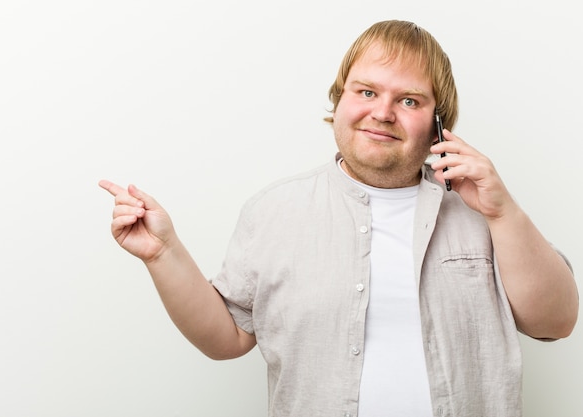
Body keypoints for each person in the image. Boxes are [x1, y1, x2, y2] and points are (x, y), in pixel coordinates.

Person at [99, 19, 578, 417]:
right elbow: (227, 337)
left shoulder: (485, 212)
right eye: (366, 91)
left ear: (438, 121)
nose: (382, 113)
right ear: (340, 100)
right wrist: (163, 254)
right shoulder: (274, 212)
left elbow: (556, 322)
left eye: (408, 100)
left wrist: (503, 210)